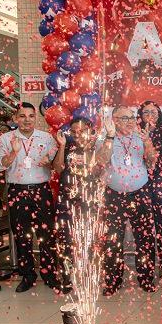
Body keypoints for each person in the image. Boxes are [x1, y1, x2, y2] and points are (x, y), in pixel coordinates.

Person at [0, 102, 60, 293]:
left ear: (35, 118)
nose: (27, 120)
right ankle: (28, 276)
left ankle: (49, 275)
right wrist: (14, 152)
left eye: (31, 116)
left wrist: (48, 163)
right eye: (22, 116)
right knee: (21, 236)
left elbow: (54, 165)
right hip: (17, 191)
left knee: (46, 235)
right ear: (15, 119)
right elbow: (0, 166)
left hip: (42, 190)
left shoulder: (46, 138)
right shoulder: (6, 139)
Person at [95, 105, 158, 296]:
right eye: (125, 118)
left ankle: (146, 279)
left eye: (132, 118)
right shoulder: (104, 138)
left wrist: (147, 143)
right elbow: (101, 161)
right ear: (114, 120)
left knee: (145, 239)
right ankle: (112, 282)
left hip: (140, 193)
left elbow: (151, 161)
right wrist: (110, 137)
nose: (131, 122)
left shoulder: (140, 137)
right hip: (114, 195)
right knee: (113, 242)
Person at [52, 118, 99, 294]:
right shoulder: (66, 146)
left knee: (88, 239)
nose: (77, 135)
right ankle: (67, 277)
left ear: (90, 130)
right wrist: (62, 146)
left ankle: (87, 277)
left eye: (81, 131)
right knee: (65, 240)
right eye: (74, 132)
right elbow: (57, 168)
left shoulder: (97, 147)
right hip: (66, 200)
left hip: (88, 200)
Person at [138, 101, 162, 275]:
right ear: (140, 115)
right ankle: (147, 269)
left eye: (154, 111)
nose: (150, 115)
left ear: (159, 114)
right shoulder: (134, 132)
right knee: (144, 227)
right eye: (146, 112)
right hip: (141, 183)